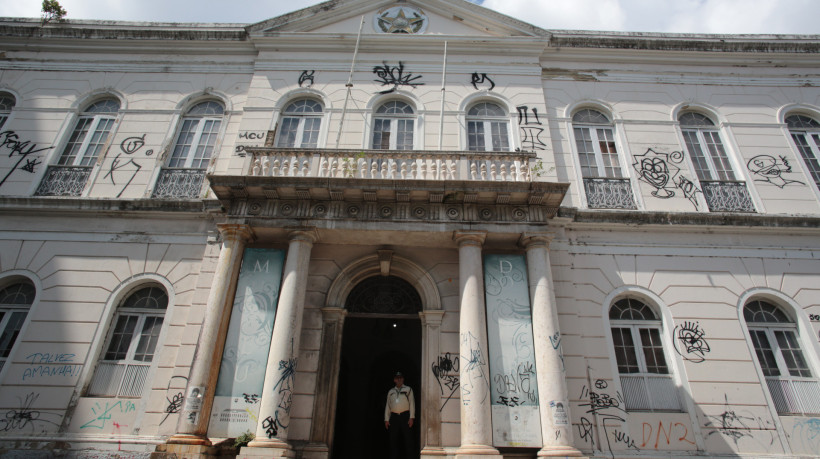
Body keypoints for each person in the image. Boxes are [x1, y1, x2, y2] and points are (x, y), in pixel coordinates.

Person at [384, 371, 415, 459]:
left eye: (401, 378)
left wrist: (411, 417)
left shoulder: (408, 389)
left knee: (408, 439)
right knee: (393, 439)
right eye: (397, 378)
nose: (399, 379)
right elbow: (388, 405)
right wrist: (386, 419)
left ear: (403, 379)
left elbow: (412, 403)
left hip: (405, 416)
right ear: (394, 380)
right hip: (394, 417)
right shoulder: (391, 391)